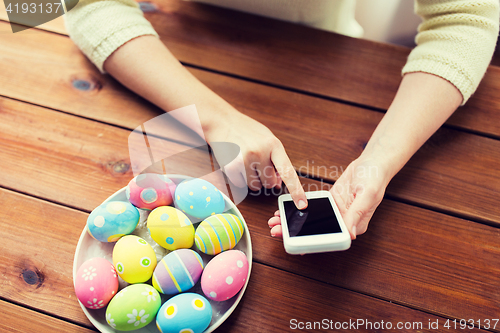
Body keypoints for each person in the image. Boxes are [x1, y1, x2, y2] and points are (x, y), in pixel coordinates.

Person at [65, 0, 499, 240]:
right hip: (167, 57)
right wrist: (215, 120)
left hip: (331, 71)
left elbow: (468, 20)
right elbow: (60, 4)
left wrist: (379, 159)